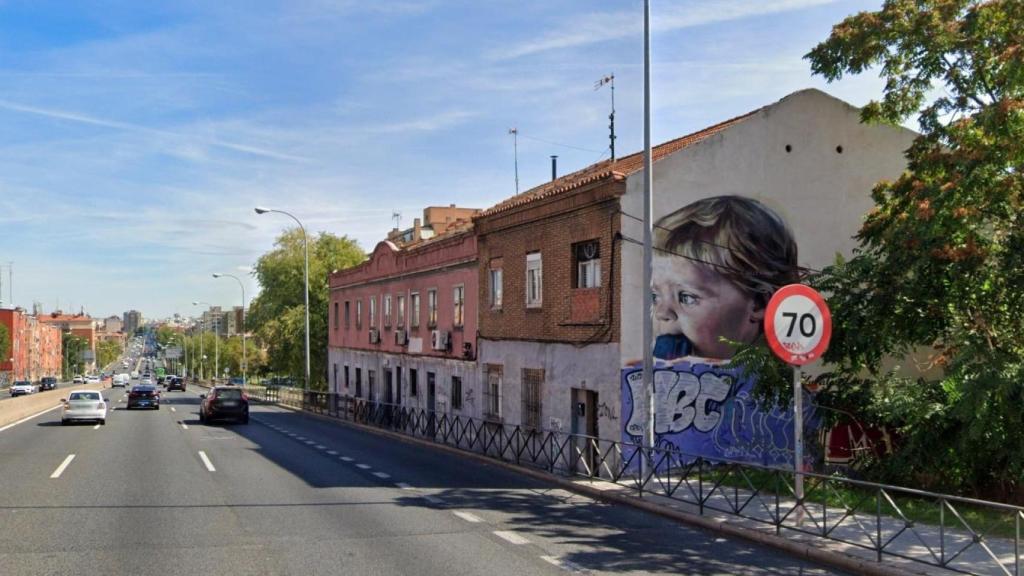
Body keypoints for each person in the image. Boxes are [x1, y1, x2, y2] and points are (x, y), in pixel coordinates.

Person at [652, 195, 799, 361]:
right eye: (655, 297)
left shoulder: (772, 384)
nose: (662, 313)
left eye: (687, 297)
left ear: (759, 303)